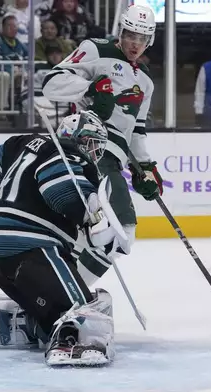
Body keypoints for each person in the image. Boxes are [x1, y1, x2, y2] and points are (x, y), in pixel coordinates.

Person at [0, 110, 127, 366]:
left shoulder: (26, 145)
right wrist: (91, 216)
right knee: (84, 310)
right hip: (35, 249)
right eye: (90, 143)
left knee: (51, 314)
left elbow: (0, 155)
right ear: (74, 137)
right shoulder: (65, 156)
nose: (92, 153)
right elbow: (60, 192)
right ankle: (68, 341)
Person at [42, 4, 164, 255]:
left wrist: (144, 167)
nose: (135, 44)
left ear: (149, 41)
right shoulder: (96, 49)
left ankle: (70, 284)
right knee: (121, 229)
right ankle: (71, 287)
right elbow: (51, 84)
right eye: (130, 35)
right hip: (86, 147)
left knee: (115, 232)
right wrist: (90, 88)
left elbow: (137, 130)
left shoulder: (146, 81)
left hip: (114, 158)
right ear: (121, 31)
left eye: (142, 38)